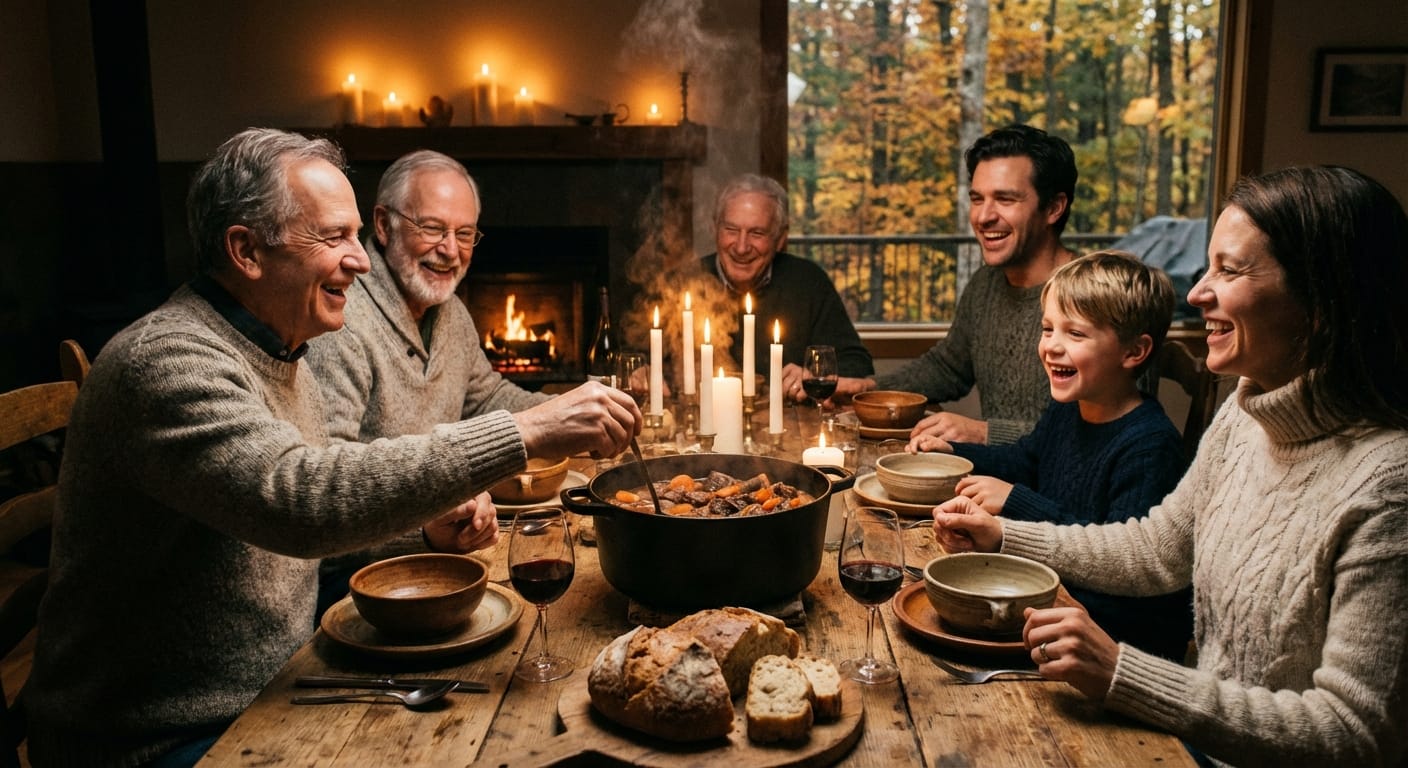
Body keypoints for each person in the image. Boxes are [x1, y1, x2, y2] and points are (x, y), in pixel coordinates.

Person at [22, 128, 640, 766]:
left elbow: (306, 525)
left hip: (287, 683)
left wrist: (424, 532)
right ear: (246, 251)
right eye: (333, 237)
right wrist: (527, 431)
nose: (363, 260)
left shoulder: (281, 352)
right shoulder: (168, 363)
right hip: (159, 737)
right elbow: (304, 500)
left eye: (354, 234)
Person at [931, 166, 1408, 766]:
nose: (1197, 293)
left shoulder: (1389, 488)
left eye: (1229, 270)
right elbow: (1158, 548)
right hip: (1187, 745)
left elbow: (1355, 731)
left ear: (1323, 297)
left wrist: (1123, 674)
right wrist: (1005, 534)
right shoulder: (1243, 414)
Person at [911, 250, 1192, 660]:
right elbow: (1027, 460)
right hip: (1052, 600)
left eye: (1075, 334)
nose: (1051, 347)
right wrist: (954, 453)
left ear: (1134, 352)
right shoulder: (1068, 408)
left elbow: (1118, 570)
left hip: (1107, 642)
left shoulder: (1149, 446)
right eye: (1047, 329)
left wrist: (1015, 502)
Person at [304, 150, 552, 603]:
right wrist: (423, 531)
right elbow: (322, 494)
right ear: (383, 225)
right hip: (355, 583)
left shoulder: (450, 313)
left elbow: (487, 396)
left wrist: (570, 412)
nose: (451, 251)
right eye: (433, 228)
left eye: (464, 234)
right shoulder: (342, 318)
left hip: (437, 554)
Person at [862, 124, 1078, 445]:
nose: (983, 217)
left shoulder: (1095, 297)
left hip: (1051, 490)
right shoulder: (987, 284)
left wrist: (983, 432)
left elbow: (1102, 437)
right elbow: (949, 368)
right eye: (977, 199)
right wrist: (868, 389)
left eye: (1005, 199)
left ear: (1053, 208)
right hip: (992, 476)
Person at [699, 173, 873, 398]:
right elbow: (645, 359)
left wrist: (812, 376)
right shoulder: (682, 283)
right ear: (715, 229)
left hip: (792, 427)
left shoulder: (808, 282)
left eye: (757, 233)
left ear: (780, 238)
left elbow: (856, 364)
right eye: (731, 230)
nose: (741, 247)